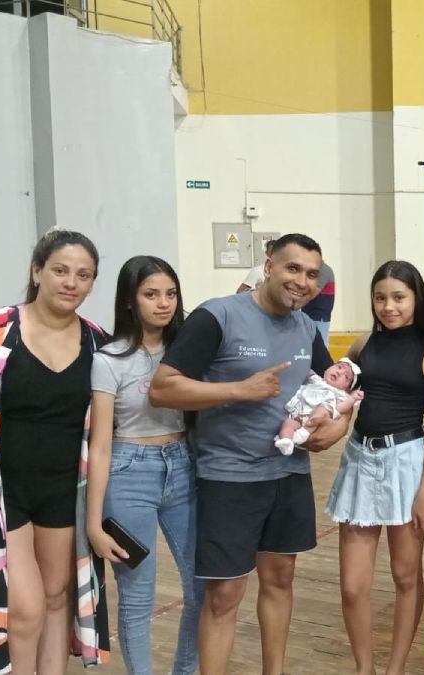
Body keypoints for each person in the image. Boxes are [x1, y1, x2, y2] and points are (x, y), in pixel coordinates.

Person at [149, 233, 349, 675]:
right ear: (268, 265)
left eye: (312, 275)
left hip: (289, 475)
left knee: (280, 580)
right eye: (293, 268)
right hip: (229, 479)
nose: (301, 281)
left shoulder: (305, 328)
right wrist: (239, 389)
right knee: (224, 597)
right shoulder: (217, 316)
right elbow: (162, 389)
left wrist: (338, 426)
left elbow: (328, 391)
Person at [0, 229, 110, 673]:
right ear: (37, 271)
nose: (71, 283)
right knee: (22, 608)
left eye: (83, 275)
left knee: (55, 597)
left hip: (64, 489)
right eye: (61, 270)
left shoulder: (98, 344)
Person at [85, 255, 203, 675]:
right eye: (151, 294)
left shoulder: (187, 352)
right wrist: (94, 524)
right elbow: (99, 445)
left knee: (202, 588)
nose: (163, 303)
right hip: (127, 470)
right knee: (138, 598)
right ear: (131, 301)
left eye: (171, 294)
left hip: (183, 467)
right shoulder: (109, 359)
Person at [326, 260, 424, 675]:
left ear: (415, 300)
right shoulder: (361, 344)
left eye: (398, 298)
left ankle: (395, 669)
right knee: (353, 586)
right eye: (380, 297)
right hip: (359, 460)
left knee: (406, 576)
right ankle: (364, 668)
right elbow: (337, 400)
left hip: (406, 461)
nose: (388, 307)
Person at [274, 358, 363, 454]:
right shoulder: (315, 379)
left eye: (346, 376)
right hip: (297, 416)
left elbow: (341, 408)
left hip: (313, 423)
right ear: (327, 369)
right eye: (339, 367)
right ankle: (286, 441)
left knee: (323, 410)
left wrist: (353, 398)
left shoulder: (339, 394)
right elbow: (304, 369)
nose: (339, 372)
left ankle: (304, 433)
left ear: (347, 388)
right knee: (288, 424)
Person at [302, 260, 336, 345]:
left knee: (321, 345)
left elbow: (314, 292)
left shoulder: (324, 270)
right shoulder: (313, 271)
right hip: (310, 314)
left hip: (319, 316)